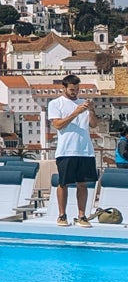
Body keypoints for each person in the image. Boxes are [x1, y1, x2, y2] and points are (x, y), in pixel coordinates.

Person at [48, 75, 96, 227]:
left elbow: (94, 125)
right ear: (64, 88)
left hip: (85, 150)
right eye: (72, 90)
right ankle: (62, 215)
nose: (75, 92)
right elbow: (58, 125)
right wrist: (75, 113)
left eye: (77, 89)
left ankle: (82, 216)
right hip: (66, 150)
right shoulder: (56, 103)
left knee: (83, 184)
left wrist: (92, 111)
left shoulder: (84, 103)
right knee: (64, 183)